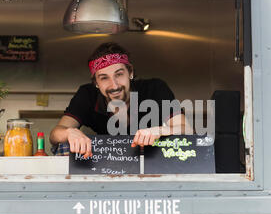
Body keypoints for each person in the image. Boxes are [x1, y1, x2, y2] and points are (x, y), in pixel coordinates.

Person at [49, 42, 192, 157]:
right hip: (110, 164)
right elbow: (55, 134)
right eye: (104, 78)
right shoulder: (87, 94)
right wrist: (69, 132)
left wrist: (159, 131)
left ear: (130, 73)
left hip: (155, 162)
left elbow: (188, 130)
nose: (114, 85)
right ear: (96, 83)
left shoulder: (155, 88)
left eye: (119, 74)